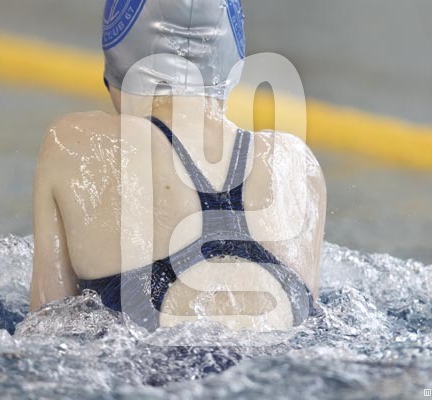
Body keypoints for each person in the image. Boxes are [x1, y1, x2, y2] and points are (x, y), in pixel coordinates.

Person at [29, 0, 326, 332]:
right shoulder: (296, 162)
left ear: (115, 66)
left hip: (153, 355)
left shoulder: (73, 141)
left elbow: (44, 325)